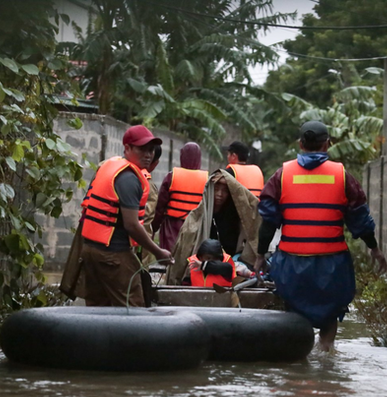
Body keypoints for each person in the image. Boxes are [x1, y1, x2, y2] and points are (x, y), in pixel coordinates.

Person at [254, 121, 387, 352]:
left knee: (292, 312)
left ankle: (296, 361)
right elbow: (360, 220)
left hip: (291, 263)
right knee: (330, 314)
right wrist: (374, 249)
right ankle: (326, 355)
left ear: (300, 144)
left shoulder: (282, 175)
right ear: (328, 144)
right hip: (331, 263)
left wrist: (259, 255)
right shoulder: (342, 176)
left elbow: (269, 222)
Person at [80, 125, 173, 307]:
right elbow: (131, 225)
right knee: (133, 308)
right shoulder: (129, 179)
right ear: (127, 148)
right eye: (142, 149)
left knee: (98, 308)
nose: (148, 154)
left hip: (91, 250)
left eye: (150, 150)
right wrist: (158, 251)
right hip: (113, 254)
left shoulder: (111, 167)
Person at [166, 169, 261, 286]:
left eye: (224, 191)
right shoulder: (196, 217)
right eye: (216, 189)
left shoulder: (237, 217)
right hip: (201, 264)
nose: (219, 194)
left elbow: (255, 218)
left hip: (231, 264)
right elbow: (184, 252)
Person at [154, 142, 208, 252]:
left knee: (171, 257)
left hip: (172, 226)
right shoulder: (207, 179)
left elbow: (160, 206)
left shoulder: (171, 176)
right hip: (196, 226)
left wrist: (154, 227)